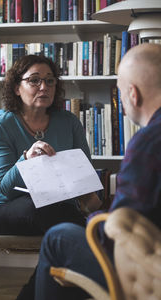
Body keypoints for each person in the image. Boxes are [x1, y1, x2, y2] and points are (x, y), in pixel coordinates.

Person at [32, 42, 161, 300]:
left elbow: (122, 232)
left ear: (133, 94)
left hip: (148, 272)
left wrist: (94, 219)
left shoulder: (149, 142)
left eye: (121, 93)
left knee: (59, 237)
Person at [0, 55, 101, 298]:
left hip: (59, 209)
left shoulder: (68, 122)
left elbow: (84, 172)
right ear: (16, 87)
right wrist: (26, 159)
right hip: (5, 211)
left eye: (50, 81)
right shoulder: (0, 126)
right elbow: (3, 188)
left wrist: (89, 195)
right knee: (67, 228)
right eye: (34, 80)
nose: (44, 87)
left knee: (63, 237)